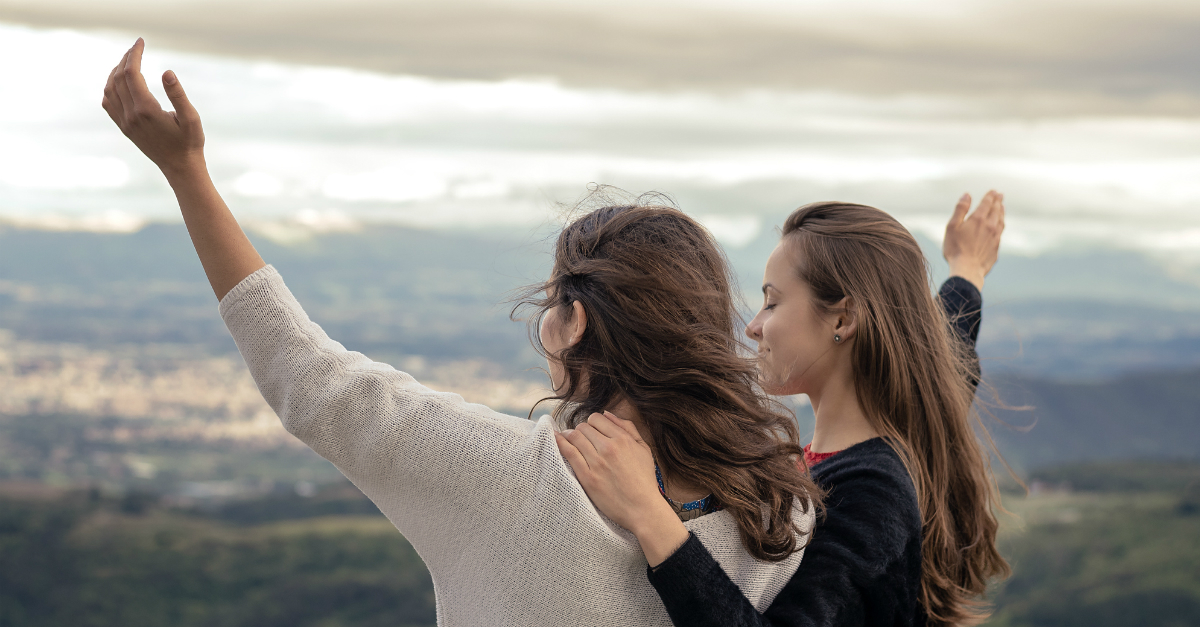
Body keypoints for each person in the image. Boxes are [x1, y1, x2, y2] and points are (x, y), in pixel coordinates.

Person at [101, 39, 823, 626]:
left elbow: (305, 372)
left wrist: (185, 170)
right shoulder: (779, 511)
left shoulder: (502, 476)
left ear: (574, 323)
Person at [557, 196, 1009, 626]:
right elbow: (946, 359)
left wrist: (646, 513)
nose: (754, 326)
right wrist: (967, 271)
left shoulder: (873, 495)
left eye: (772, 301)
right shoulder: (911, 428)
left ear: (842, 319)